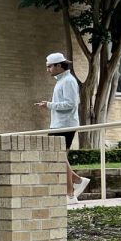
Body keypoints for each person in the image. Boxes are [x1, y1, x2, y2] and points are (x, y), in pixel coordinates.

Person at [36, 52, 90, 201]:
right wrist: (49, 105)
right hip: (59, 125)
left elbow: (71, 104)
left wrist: (49, 105)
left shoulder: (68, 81)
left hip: (65, 125)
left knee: (59, 157)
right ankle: (77, 181)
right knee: (58, 157)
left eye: (49, 66)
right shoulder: (62, 81)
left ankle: (71, 193)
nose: (47, 70)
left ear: (59, 65)